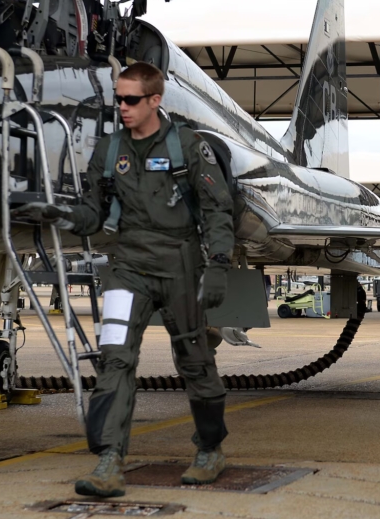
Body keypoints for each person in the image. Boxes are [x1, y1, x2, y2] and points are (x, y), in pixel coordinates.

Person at [12, 62, 234, 496]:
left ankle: (210, 449)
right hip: (127, 266)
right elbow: (94, 213)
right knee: (115, 358)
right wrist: (62, 214)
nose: (123, 107)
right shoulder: (110, 150)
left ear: (155, 100)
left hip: (180, 265)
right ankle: (110, 461)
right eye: (118, 98)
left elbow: (216, 210)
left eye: (132, 99)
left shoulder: (187, 147)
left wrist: (220, 265)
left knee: (194, 361)